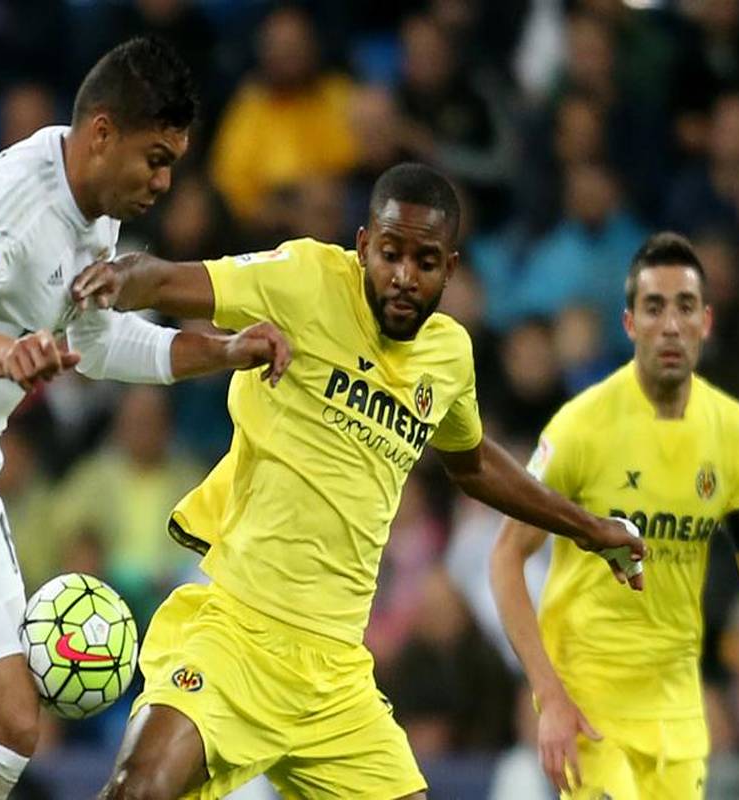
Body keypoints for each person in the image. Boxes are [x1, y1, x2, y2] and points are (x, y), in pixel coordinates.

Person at [70, 162, 644, 799]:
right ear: (364, 244)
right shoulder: (305, 278)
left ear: (451, 269)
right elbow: (169, 279)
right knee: (138, 789)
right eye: (390, 254)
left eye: (426, 262)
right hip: (236, 633)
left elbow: (473, 463)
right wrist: (114, 278)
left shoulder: (449, 357)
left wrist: (590, 529)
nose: (404, 276)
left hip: (336, 673)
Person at [0, 37, 290, 800]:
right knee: (7, 724)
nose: (165, 183)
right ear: (102, 133)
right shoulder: (10, 206)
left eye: (173, 163)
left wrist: (222, 350)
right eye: (156, 159)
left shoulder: (94, 214)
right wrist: (6, 353)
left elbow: (95, 342)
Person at [490, 231, 739, 798]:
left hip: (677, 716)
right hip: (592, 708)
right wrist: (550, 694)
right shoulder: (582, 427)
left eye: (684, 307)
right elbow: (505, 557)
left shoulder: (733, 433)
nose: (670, 325)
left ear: (705, 322)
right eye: (654, 307)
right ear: (629, 323)